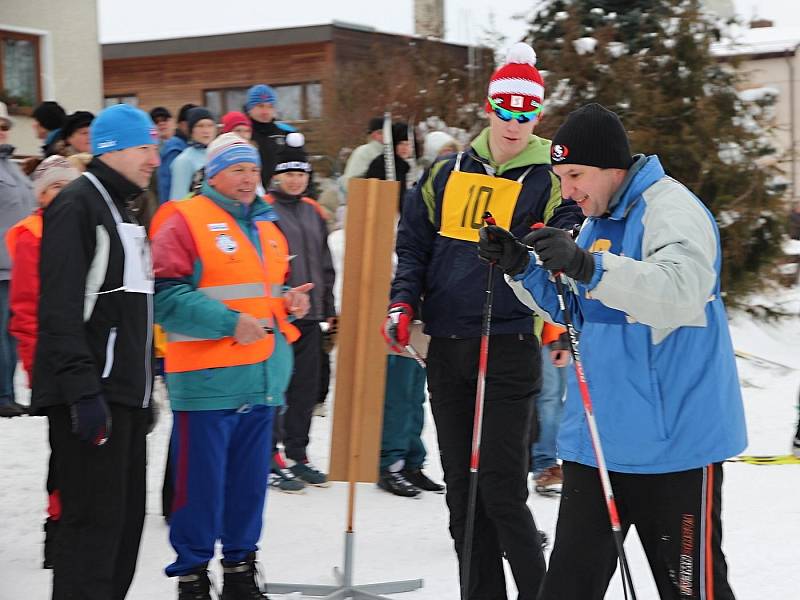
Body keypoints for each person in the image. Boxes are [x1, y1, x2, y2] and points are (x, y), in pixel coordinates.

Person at [478, 102, 747, 600]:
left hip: (674, 449)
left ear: (613, 167)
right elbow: (574, 312)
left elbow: (680, 291)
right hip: (599, 445)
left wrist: (590, 268)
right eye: (560, 178)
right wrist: (521, 267)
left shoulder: (671, 209)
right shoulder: (597, 219)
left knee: (692, 590)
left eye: (576, 175)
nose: (569, 191)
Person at [382, 42, 581, 600]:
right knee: (462, 494)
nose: (515, 124)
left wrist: (533, 253)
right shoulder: (446, 173)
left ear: (537, 114)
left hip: (510, 340)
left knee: (499, 487)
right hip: (448, 343)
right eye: (506, 111)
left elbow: (564, 237)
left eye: (526, 113)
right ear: (489, 108)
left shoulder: (548, 175)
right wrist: (403, 303)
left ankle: (539, 592)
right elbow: (414, 248)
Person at [152, 132, 310, 599]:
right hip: (205, 383)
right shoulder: (183, 218)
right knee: (199, 489)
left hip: (261, 379)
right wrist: (228, 322)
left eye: (253, 170)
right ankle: (193, 576)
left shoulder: (266, 226)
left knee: (247, 488)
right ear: (213, 173)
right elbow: (163, 297)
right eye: (237, 169)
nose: (247, 179)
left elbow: (256, 299)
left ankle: (241, 570)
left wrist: (286, 303)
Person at [32, 103, 159, 600]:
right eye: (145, 147)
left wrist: (143, 390)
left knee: (123, 532)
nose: (154, 158)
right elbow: (59, 310)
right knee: (92, 534)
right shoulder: (78, 205)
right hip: (89, 398)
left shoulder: (123, 208)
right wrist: (83, 393)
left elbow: (129, 313)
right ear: (113, 149)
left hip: (123, 397)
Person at [6, 155, 81, 566]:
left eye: (69, 186)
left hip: (86, 360)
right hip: (55, 363)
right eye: (54, 187)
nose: (62, 194)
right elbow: (26, 311)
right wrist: (37, 367)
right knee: (65, 452)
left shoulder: (84, 228)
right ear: (40, 195)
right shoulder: (34, 235)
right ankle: (59, 528)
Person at [266, 132, 336, 491]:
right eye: (288, 173)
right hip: (278, 319)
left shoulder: (312, 212)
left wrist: (328, 307)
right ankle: (271, 455)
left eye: (301, 173)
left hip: (310, 318)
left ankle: (299, 452)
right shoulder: (264, 210)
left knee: (305, 389)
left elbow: (325, 263)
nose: (295, 179)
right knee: (277, 387)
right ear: (277, 176)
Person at [0, 101, 36, 418]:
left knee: (13, 332)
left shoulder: (13, 166)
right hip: (0, 265)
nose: (2, 132)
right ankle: (2, 395)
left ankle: (9, 392)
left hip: (18, 264)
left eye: (5, 125)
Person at [530, 322, 569, 495]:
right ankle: (545, 465)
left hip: (564, 332)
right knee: (549, 399)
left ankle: (548, 464)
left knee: (555, 399)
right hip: (550, 333)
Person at [245, 84, 296, 188]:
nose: (265, 111)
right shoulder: (243, 133)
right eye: (260, 106)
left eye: (270, 106)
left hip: (282, 196)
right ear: (250, 109)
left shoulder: (286, 133)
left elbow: (301, 165)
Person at [169, 107, 216, 200]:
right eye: (200, 126)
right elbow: (178, 199)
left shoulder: (218, 154)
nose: (206, 131)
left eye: (210, 125)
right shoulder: (184, 160)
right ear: (191, 130)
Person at [365, 122, 412, 212]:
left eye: (407, 144)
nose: (404, 148)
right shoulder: (379, 165)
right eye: (401, 143)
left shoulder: (406, 167)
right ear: (393, 144)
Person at [158, 103, 197, 203]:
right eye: (196, 124)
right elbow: (167, 184)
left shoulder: (188, 145)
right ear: (183, 125)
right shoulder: (175, 148)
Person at [340, 116, 384, 192]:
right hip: (367, 198)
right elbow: (350, 182)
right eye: (381, 133)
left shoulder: (393, 154)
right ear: (373, 135)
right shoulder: (363, 152)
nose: (386, 136)